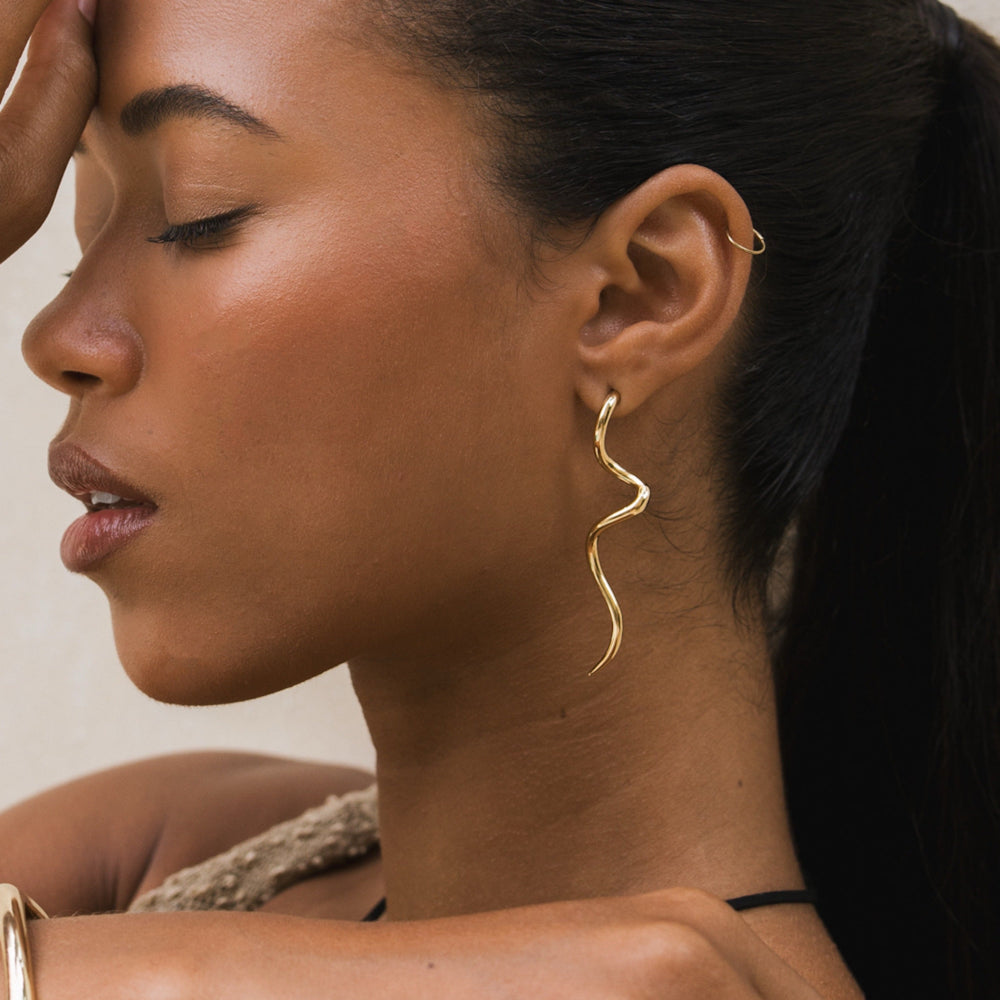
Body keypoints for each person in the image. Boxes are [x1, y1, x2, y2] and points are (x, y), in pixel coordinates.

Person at [1, 0, 998, 997]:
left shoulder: (106, 909)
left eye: (198, 213)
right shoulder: (178, 846)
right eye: (80, 235)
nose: (56, 337)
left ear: (639, 292)